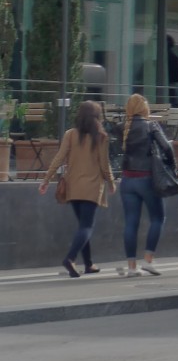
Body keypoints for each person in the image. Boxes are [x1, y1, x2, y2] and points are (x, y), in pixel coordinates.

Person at [38, 101, 116, 278]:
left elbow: (59, 157)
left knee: (83, 225)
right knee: (87, 226)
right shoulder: (101, 137)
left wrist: (46, 180)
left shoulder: (70, 134)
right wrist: (111, 182)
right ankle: (70, 258)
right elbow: (104, 165)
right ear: (97, 118)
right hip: (92, 187)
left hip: (73, 187)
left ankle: (88, 264)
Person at [119, 93, 172, 277]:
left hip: (126, 182)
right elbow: (167, 147)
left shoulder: (123, 128)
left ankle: (132, 267)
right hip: (147, 180)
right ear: (145, 109)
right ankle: (148, 260)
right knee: (157, 218)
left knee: (130, 223)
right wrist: (171, 166)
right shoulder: (151, 126)